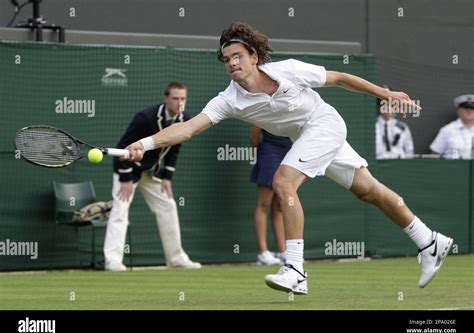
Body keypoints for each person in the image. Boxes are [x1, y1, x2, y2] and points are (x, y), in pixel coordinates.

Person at [123, 22, 453, 294]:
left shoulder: (290, 70)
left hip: (325, 124)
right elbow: (189, 129)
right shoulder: (229, 100)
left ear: (254, 57)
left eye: (237, 56)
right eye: (226, 59)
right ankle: (429, 240)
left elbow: (339, 78)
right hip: (306, 137)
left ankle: (295, 268)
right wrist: (147, 142)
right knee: (370, 191)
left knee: (282, 181)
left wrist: (387, 95)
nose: (232, 63)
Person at [103, 82, 201, 272]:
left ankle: (176, 258)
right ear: (166, 99)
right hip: (128, 170)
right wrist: (126, 178)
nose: (179, 103)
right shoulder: (145, 118)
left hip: (151, 172)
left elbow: (174, 148)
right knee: (120, 210)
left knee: (168, 206)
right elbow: (124, 147)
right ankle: (112, 261)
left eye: (183, 99)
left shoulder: (184, 119)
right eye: (175, 98)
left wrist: (167, 177)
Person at [250, 125, 292, 265]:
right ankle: (263, 254)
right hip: (270, 152)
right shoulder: (262, 104)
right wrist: (261, 155)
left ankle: (282, 252)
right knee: (263, 204)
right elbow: (254, 136)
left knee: (279, 206)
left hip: (290, 152)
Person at [430, 94, 474, 159]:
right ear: (458, 111)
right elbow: (434, 155)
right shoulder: (447, 130)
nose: (469, 111)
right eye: (466, 108)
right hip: (452, 168)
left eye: (472, 108)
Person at [375, 86, 414, 159]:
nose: (388, 107)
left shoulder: (402, 127)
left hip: (399, 163)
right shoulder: (373, 126)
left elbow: (409, 151)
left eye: (390, 104)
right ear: (379, 106)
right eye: (384, 104)